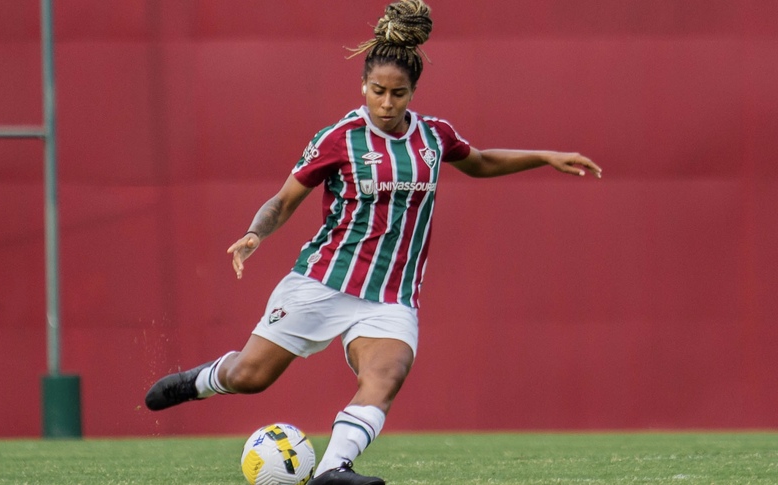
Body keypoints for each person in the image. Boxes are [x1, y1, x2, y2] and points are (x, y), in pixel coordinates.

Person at [145, 1, 602, 484]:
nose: (386, 103)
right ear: (363, 86)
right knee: (250, 378)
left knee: (386, 375)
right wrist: (256, 232)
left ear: (413, 92)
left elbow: (482, 161)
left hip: (391, 295)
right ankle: (200, 381)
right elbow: (283, 200)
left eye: (397, 93)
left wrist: (545, 156)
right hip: (324, 281)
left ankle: (333, 469)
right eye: (377, 91)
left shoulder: (434, 137)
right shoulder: (339, 138)